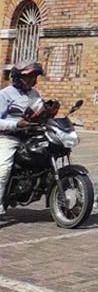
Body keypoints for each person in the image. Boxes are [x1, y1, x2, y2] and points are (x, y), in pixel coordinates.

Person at [0, 62, 43, 218]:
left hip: (30, 136)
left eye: (35, 76)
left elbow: (38, 112)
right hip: (8, 137)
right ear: (18, 78)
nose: (34, 80)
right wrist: (16, 124)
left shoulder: (35, 94)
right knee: (3, 168)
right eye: (30, 77)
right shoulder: (5, 94)